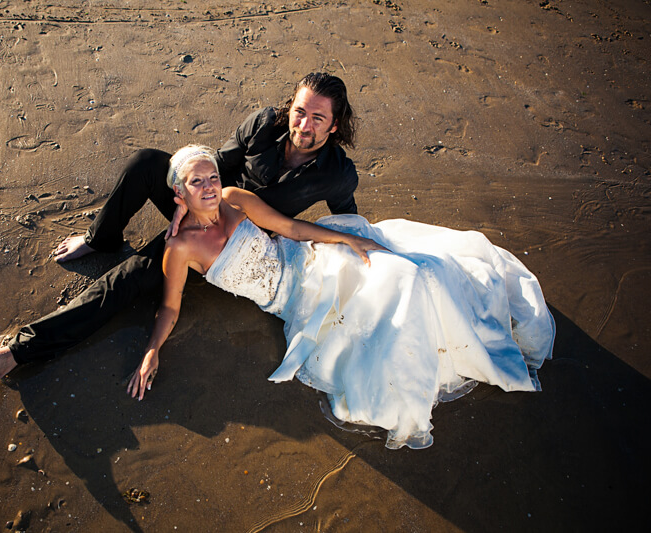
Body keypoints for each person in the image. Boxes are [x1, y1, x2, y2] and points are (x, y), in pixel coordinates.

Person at [126, 145, 556, 450]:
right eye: (196, 182)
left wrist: (346, 240)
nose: (209, 187)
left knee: (410, 272)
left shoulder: (235, 200)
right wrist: (152, 349)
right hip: (295, 300)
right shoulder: (180, 248)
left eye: (213, 177)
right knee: (398, 291)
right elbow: (170, 306)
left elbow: (290, 229)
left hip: (314, 261)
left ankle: (469, 319)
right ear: (179, 193)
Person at [0, 72, 360, 381]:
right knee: (146, 163)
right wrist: (185, 201)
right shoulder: (263, 123)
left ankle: (24, 349)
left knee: (127, 279)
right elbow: (215, 163)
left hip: (229, 245)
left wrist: (361, 257)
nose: (303, 125)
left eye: (317, 118)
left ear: (334, 125)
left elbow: (348, 221)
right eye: (299, 111)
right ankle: (100, 239)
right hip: (206, 198)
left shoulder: (338, 174)